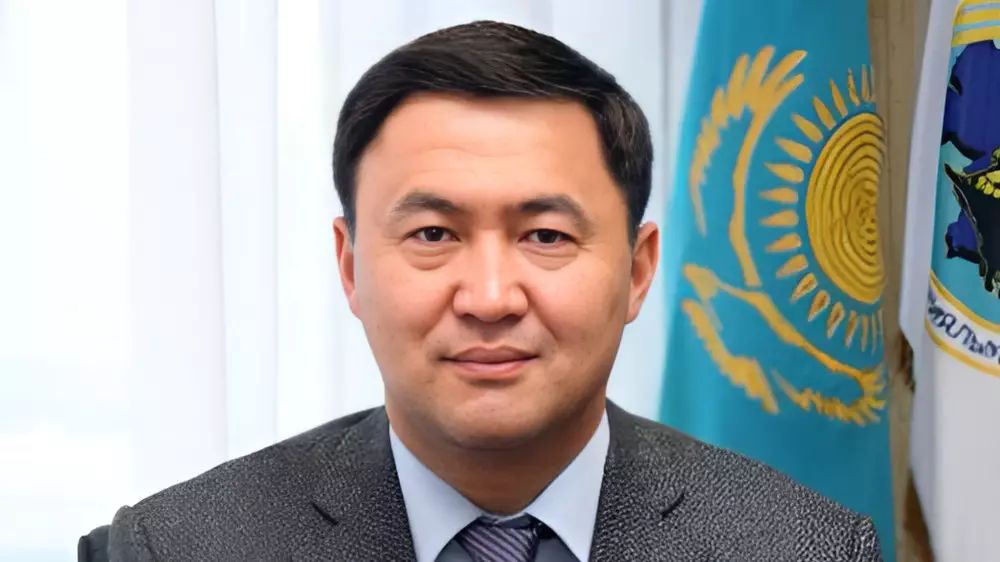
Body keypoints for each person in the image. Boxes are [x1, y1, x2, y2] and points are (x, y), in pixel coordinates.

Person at [101, 20, 883, 562]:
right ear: (350, 266)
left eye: (545, 236)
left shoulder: (802, 548)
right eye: (432, 234)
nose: (489, 297)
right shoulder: (179, 548)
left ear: (638, 270)